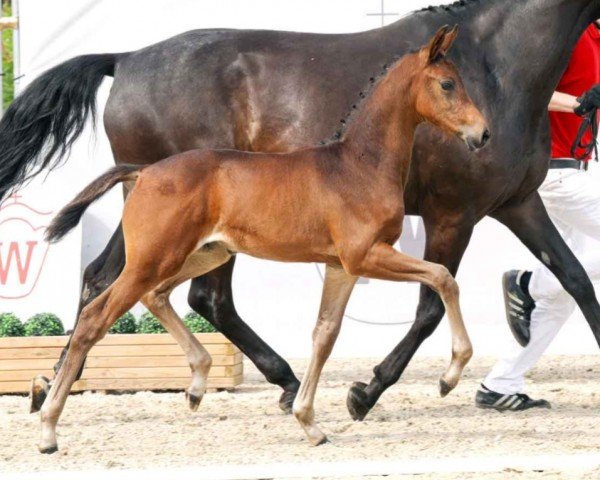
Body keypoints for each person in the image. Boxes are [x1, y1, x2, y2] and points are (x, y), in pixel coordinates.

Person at [476, 21, 600, 411]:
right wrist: (577, 105)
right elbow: (518, 87)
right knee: (569, 277)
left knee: (564, 295)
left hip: (576, 169)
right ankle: (531, 284)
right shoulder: (571, 32)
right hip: (552, 172)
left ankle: (500, 382)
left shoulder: (595, 36)